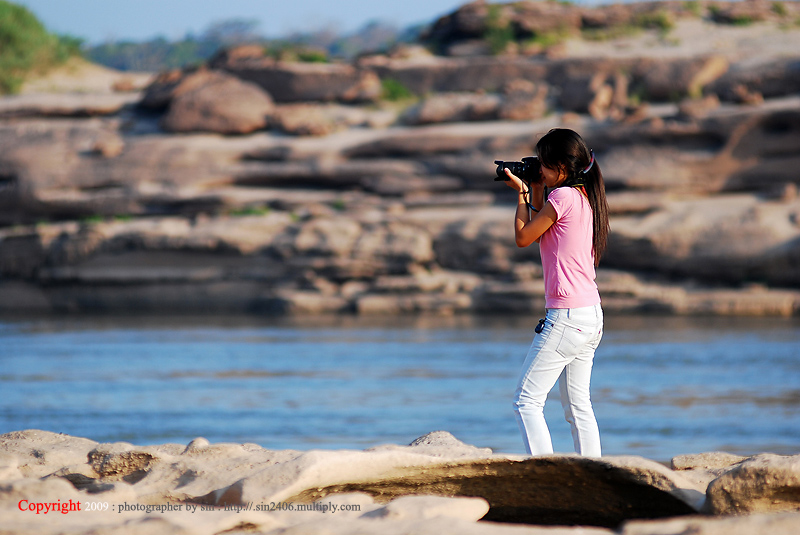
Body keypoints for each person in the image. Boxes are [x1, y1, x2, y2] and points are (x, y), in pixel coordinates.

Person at [502, 128, 610, 457]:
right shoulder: (583, 198)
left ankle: (545, 476)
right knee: (578, 407)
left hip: (566, 317)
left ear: (563, 167)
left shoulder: (561, 198)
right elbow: (541, 228)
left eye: (545, 166)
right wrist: (535, 187)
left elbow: (523, 237)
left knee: (526, 400)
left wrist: (521, 195)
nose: (541, 171)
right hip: (590, 315)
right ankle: (594, 475)